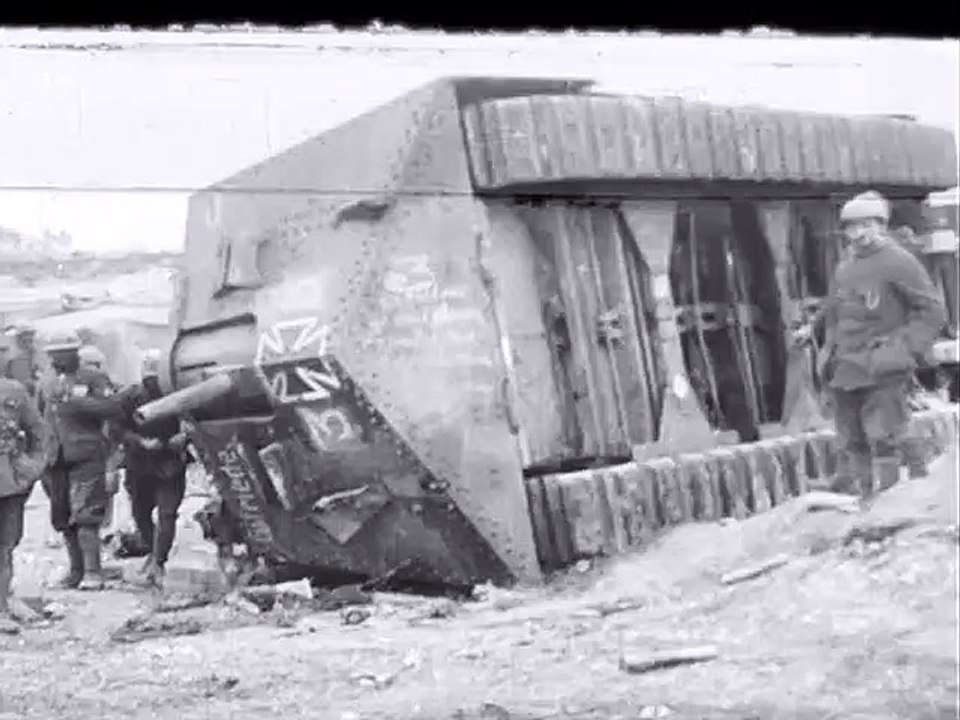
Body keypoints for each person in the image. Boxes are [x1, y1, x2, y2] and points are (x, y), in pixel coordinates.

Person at [798, 191, 947, 497]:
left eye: (867, 225)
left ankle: (912, 491)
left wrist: (903, 349)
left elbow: (932, 311)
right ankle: (866, 496)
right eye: (853, 227)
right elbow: (837, 305)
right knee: (851, 435)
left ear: (881, 225)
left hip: (884, 362)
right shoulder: (846, 266)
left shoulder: (900, 262)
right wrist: (812, 328)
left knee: (888, 431)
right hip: (846, 363)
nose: (860, 233)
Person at [36, 333, 121, 591]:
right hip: (56, 459)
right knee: (63, 518)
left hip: (87, 455)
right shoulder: (47, 382)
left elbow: (113, 408)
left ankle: (93, 573)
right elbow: (41, 416)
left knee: (86, 516)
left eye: (62, 353)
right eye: (53, 354)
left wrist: (77, 403)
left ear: (74, 353)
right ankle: (75, 571)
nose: (56, 359)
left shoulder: (93, 378)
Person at [111, 350, 188, 587]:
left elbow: (196, 421)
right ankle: (152, 552)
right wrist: (139, 442)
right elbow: (116, 429)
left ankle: (159, 560)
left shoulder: (180, 394)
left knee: (167, 513)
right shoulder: (128, 397)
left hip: (170, 461)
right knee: (140, 514)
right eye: (149, 379)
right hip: (140, 464)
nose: (153, 384)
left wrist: (185, 436)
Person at [0, 373, 46, 634]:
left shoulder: (12, 390)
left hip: (8, 479)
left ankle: (1, 608)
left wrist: (33, 466)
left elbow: (38, 430)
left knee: (4, 547)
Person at [3, 326, 40, 397]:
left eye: (31, 341)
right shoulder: (11, 357)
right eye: (24, 341)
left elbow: (34, 373)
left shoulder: (32, 355)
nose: (28, 345)